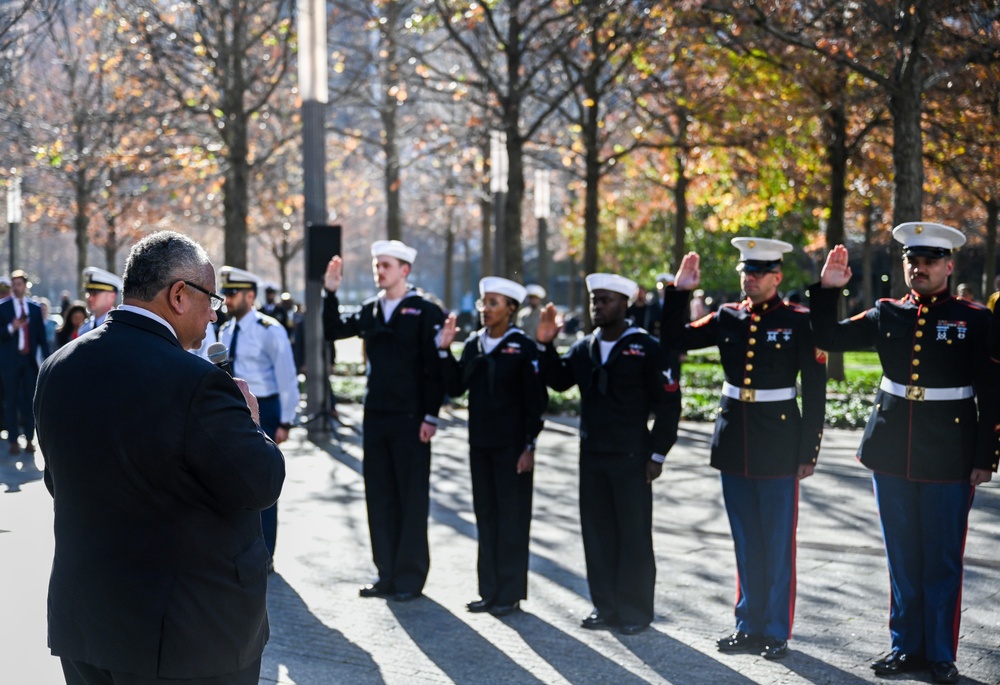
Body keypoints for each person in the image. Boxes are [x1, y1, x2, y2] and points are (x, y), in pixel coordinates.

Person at [34, 230, 285, 685]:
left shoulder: (58, 366)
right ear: (178, 295)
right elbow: (261, 484)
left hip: (87, 623)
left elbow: (59, 481)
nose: (214, 315)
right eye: (212, 300)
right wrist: (250, 422)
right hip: (184, 637)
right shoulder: (198, 382)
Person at [810, 222, 998, 685]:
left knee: (941, 559)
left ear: (949, 266)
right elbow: (829, 339)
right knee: (902, 558)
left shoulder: (974, 318)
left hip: (948, 453)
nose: (920, 267)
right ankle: (904, 647)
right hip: (891, 450)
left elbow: (993, 391)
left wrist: (984, 456)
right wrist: (827, 291)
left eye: (930, 260)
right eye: (913, 260)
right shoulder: (886, 312)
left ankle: (939, 653)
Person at [662, 239, 826, 660]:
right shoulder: (727, 317)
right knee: (745, 541)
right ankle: (747, 625)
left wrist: (809, 450)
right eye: (745, 271)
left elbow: (816, 389)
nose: (748, 278)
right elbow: (673, 337)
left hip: (779, 443)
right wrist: (678, 293)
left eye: (757, 272)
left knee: (776, 542)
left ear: (777, 277)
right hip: (735, 441)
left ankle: (774, 629)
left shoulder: (799, 320)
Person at [535, 273, 680, 635]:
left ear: (625, 304)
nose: (597, 306)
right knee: (597, 534)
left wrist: (658, 453)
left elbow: (668, 403)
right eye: (594, 300)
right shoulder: (585, 347)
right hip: (593, 455)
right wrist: (547, 345)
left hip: (632, 456)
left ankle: (634, 611)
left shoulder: (645, 347)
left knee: (632, 535)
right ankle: (605, 606)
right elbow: (559, 379)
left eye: (606, 300)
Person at [322, 239, 445, 601]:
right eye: (377, 265)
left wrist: (431, 415)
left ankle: (410, 578)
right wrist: (330, 293)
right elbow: (333, 330)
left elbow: (435, 368)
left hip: (411, 419)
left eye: (386, 265)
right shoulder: (371, 309)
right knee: (379, 496)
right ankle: (386, 574)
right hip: (376, 417)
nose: (379, 271)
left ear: (405, 270)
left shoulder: (424, 311)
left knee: (410, 497)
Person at [438, 277, 547, 617]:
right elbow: (455, 386)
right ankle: (489, 591)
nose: (485, 309)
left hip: (513, 448)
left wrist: (530, 446)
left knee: (511, 518)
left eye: (494, 303)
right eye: (484, 302)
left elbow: (536, 402)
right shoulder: (474, 344)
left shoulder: (522, 346)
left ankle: (510, 594)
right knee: (486, 516)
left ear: (511, 309)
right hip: (480, 445)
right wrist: (444, 350)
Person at [218, 266, 299, 565]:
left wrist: (285, 420)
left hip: (265, 406)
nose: (227, 299)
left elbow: (287, 376)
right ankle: (244, 550)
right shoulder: (224, 330)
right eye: (225, 293)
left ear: (250, 295)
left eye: (233, 293)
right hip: (233, 408)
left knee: (263, 480)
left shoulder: (270, 329)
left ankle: (266, 554)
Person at [1, 269, 49, 455]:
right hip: (10, 362)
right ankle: (13, 440)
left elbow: (42, 338)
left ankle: (30, 438)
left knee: (30, 400)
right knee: (10, 400)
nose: (15, 287)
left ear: (25, 286)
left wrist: (47, 361)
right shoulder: (3, 308)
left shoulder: (35, 309)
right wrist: (11, 327)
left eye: (19, 284)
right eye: (13, 284)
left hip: (29, 362)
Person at [76, 266, 123, 336]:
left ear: (112, 296)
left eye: (95, 293)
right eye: (88, 293)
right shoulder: (84, 329)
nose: (89, 298)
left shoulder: (119, 328)